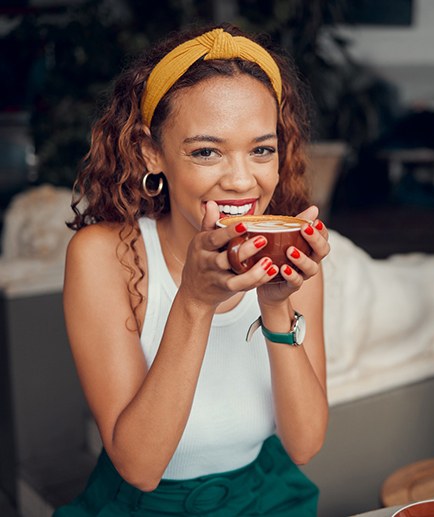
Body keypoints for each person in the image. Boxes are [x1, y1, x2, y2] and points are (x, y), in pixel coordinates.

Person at [56, 22, 330, 516]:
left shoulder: (294, 261)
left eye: (261, 149)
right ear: (150, 152)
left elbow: (305, 444)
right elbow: (140, 466)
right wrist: (195, 300)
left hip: (266, 496)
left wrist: (275, 304)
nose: (242, 180)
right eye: (206, 151)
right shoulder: (102, 256)